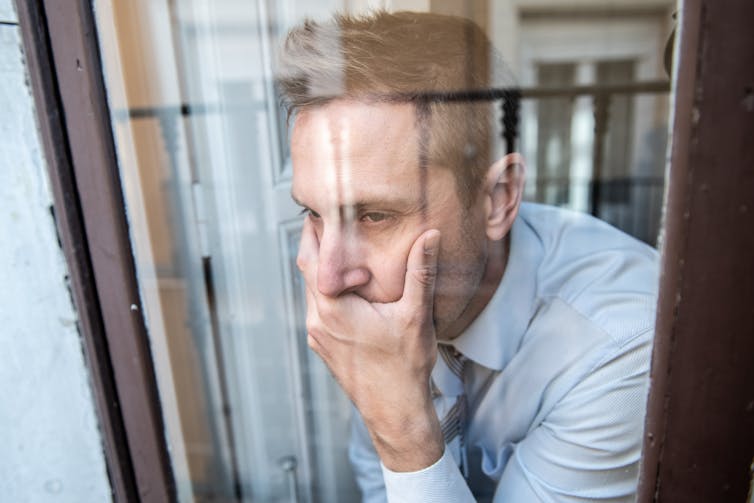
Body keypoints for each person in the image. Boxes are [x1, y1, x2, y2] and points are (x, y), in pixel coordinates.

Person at [277, 10, 659, 502]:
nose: (329, 278)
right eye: (314, 213)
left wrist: (404, 436)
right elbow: (381, 490)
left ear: (497, 198)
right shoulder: (385, 298)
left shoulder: (621, 345)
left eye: (375, 217)